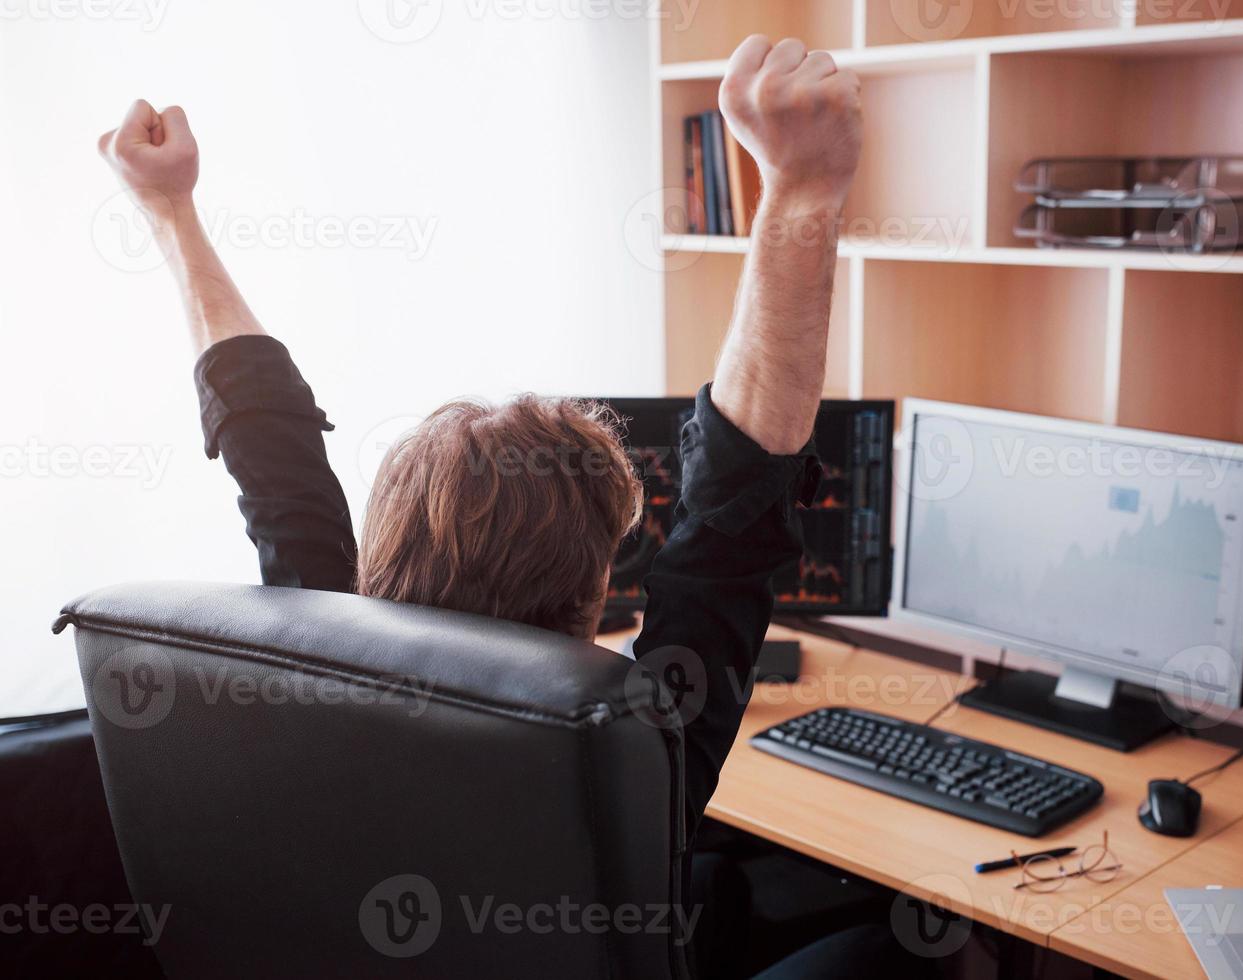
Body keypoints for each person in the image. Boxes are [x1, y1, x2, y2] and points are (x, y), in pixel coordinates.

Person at [98, 34, 925, 979]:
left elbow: (268, 442)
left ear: (386, 545)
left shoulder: (314, 653)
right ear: (589, 600)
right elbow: (734, 515)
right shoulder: (620, 751)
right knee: (872, 953)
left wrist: (170, 213)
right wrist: (805, 191)